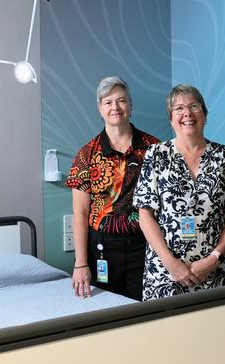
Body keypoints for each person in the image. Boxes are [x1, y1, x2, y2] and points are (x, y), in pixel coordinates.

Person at [133, 84, 225, 301]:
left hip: (214, 274)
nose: (187, 113)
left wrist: (214, 259)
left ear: (205, 114)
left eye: (194, 106)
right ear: (171, 119)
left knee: (215, 333)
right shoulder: (156, 155)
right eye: (179, 108)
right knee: (165, 334)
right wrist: (171, 263)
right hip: (165, 276)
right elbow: (144, 214)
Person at [66, 76, 159, 301]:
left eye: (121, 101)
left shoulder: (155, 148)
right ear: (100, 108)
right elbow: (80, 213)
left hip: (144, 243)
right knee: (106, 309)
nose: (115, 107)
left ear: (130, 105)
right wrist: (80, 263)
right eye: (108, 102)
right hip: (102, 248)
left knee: (144, 309)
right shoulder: (86, 154)